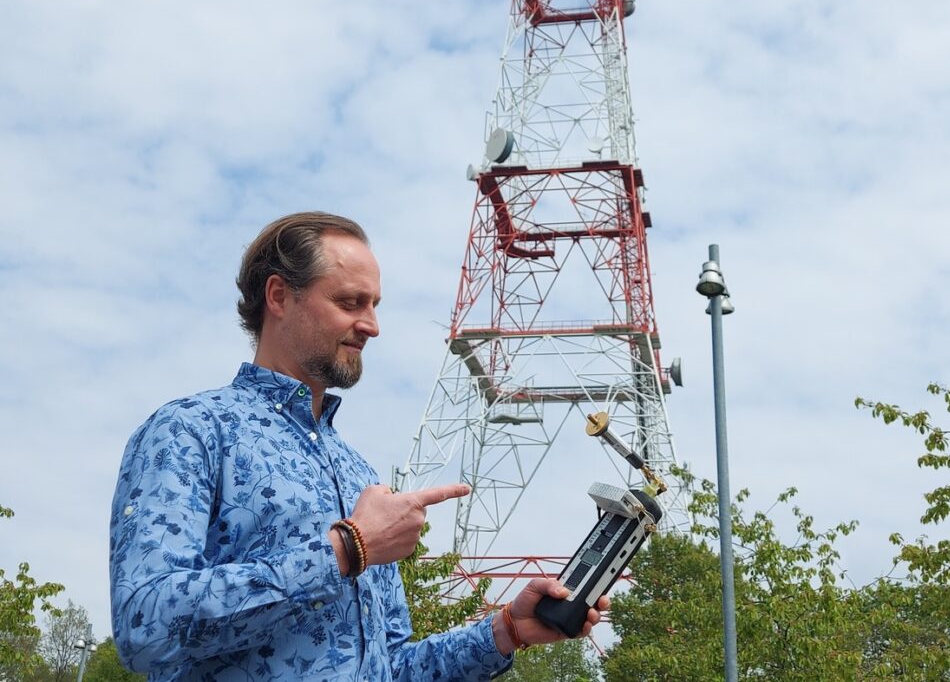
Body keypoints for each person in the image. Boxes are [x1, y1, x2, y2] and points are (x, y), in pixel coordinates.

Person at [110, 211, 608, 680]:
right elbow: (144, 625)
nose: (371, 325)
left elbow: (390, 665)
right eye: (350, 303)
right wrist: (347, 548)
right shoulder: (190, 431)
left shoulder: (357, 473)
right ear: (279, 297)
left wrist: (507, 631)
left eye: (373, 305)